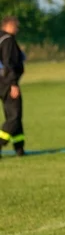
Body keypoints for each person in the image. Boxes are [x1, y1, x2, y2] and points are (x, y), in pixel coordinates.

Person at [0, 16, 25, 158]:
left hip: (1, 82)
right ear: (8, 26)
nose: (17, 29)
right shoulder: (8, 40)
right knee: (14, 117)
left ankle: (19, 148)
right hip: (7, 82)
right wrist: (13, 84)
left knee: (13, 115)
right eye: (16, 26)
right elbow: (8, 63)